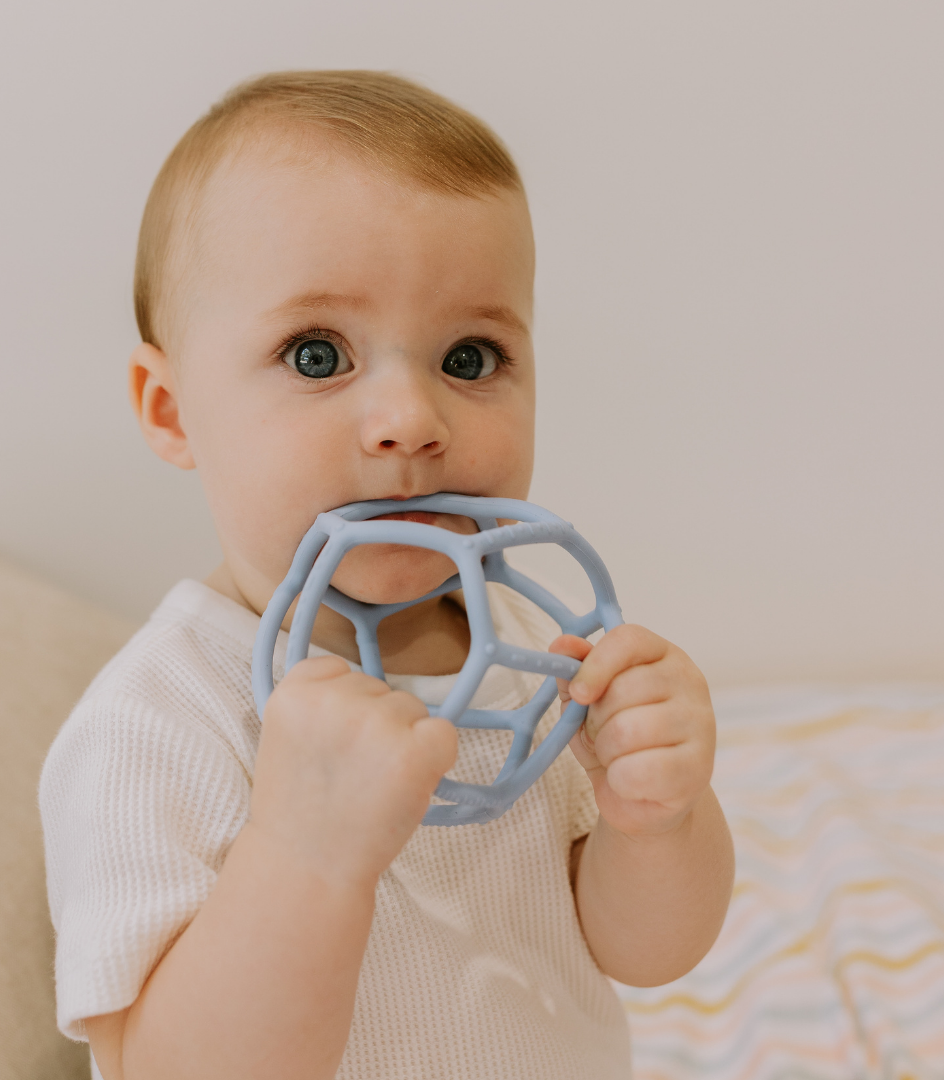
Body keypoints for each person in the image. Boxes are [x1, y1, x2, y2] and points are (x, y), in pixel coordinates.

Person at [39, 70, 735, 1080]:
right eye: (317, 356)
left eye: (469, 356)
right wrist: (304, 856)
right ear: (171, 409)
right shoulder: (156, 721)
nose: (412, 418)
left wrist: (660, 817)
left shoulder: (537, 649)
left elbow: (648, 952)